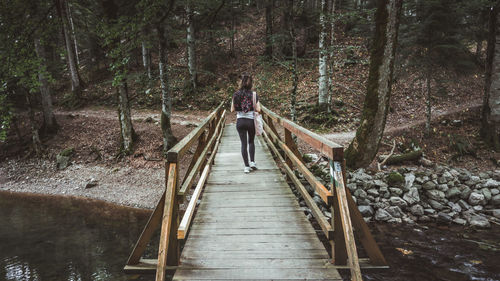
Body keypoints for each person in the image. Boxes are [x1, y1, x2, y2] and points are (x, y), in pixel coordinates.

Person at [231, 73, 261, 173]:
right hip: (250, 121)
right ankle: (252, 162)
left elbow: (232, 109)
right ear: (251, 83)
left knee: (243, 143)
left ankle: (246, 166)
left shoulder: (235, 94)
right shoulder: (253, 94)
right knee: (251, 141)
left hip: (240, 122)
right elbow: (258, 109)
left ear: (241, 83)